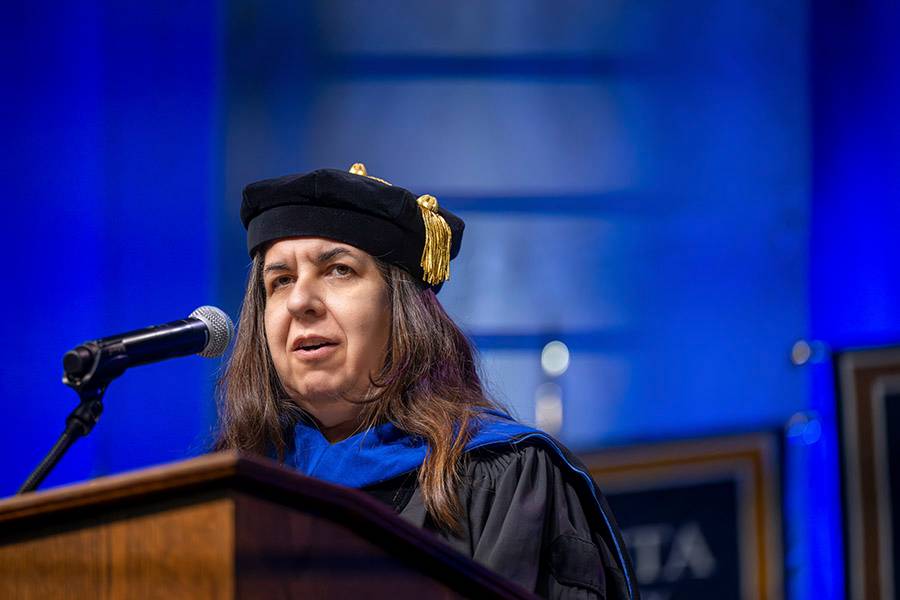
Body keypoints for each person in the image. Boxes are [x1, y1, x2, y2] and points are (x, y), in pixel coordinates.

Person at [214, 163, 639, 600]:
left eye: (339, 270)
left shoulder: (499, 477)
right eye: (281, 281)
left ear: (402, 311)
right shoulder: (230, 491)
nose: (300, 300)